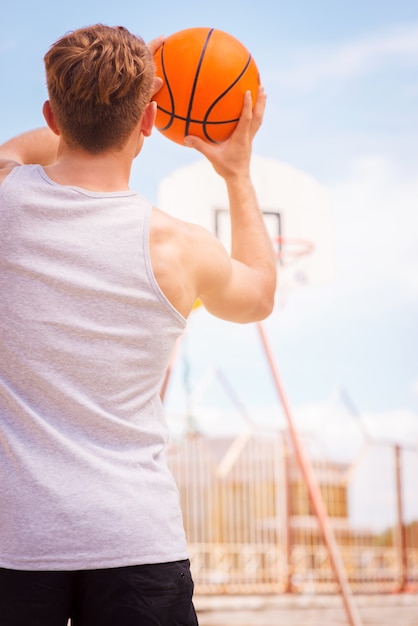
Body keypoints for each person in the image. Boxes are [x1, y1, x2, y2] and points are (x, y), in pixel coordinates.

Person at [0, 23, 276, 626]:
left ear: (50, 114)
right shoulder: (179, 248)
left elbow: (13, 154)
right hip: (137, 544)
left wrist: (92, 100)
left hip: (13, 545)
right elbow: (258, 296)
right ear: (149, 123)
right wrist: (236, 173)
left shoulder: (5, 204)